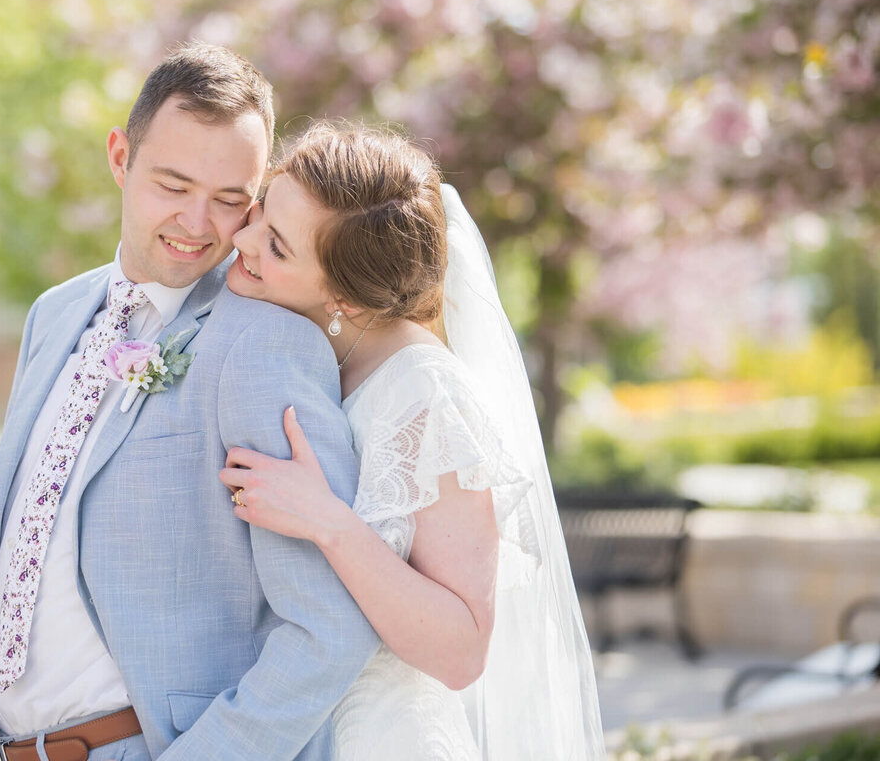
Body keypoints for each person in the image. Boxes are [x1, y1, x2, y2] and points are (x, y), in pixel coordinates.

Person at [0, 46, 378, 761]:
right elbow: (8, 555)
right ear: (120, 158)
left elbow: (328, 627)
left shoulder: (263, 344)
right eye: (172, 185)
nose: (198, 223)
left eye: (230, 199)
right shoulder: (54, 316)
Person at [220, 122, 606, 759]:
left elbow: (461, 651)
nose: (242, 239)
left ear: (341, 294)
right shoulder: (313, 353)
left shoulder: (427, 394)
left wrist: (327, 521)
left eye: (278, 247)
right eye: (261, 211)